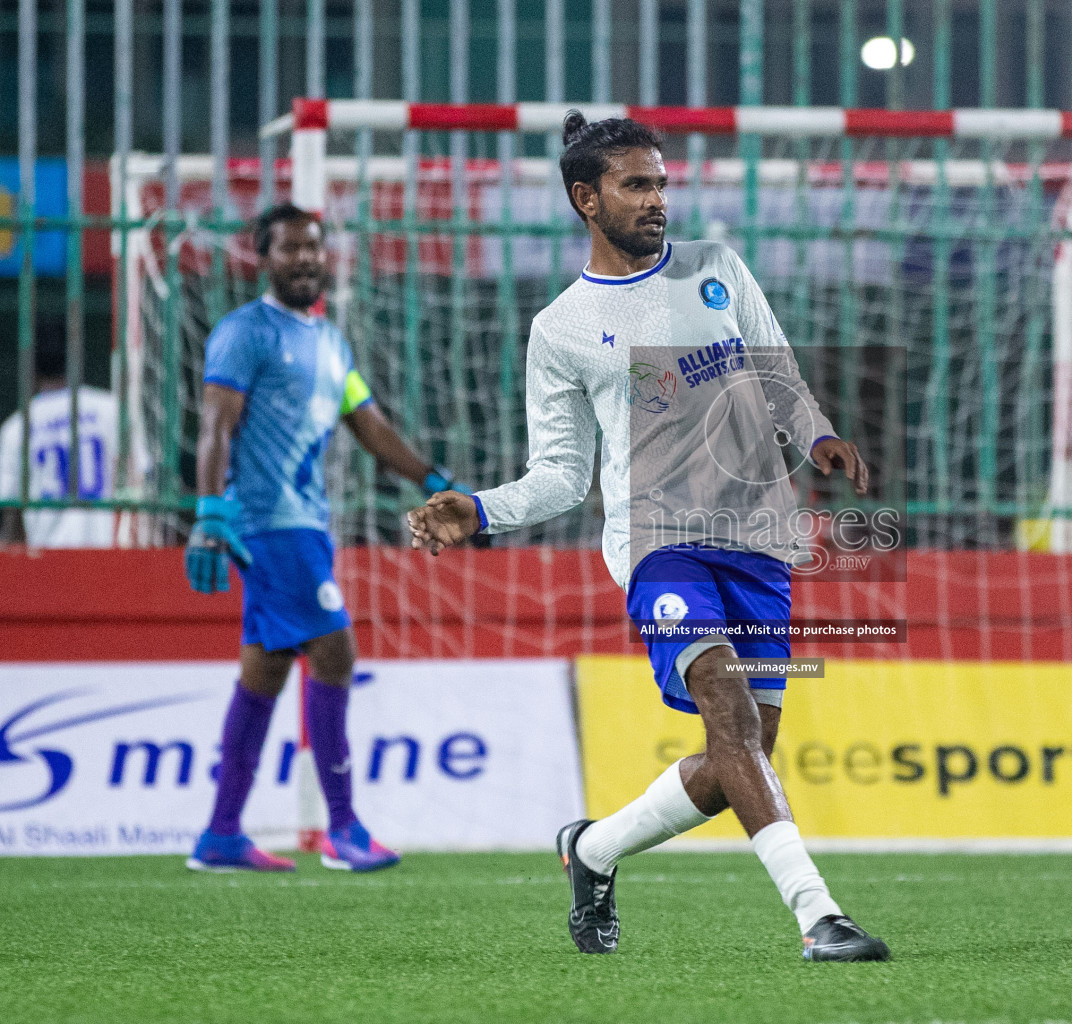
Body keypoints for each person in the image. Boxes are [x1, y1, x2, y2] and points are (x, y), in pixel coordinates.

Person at [407, 113, 889, 962]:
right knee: (728, 709)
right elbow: (561, 473)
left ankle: (591, 851)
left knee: (739, 754)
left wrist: (816, 435)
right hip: (660, 545)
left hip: (759, 539)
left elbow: (778, 378)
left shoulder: (716, 269)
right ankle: (821, 917)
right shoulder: (561, 327)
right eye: (638, 184)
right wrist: (478, 509)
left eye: (662, 182)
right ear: (586, 198)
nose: (658, 199)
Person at [186, 203, 470, 874]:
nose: (305, 257)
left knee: (267, 668)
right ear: (265, 257)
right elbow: (214, 425)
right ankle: (342, 829)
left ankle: (221, 833)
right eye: (290, 248)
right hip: (267, 521)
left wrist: (433, 479)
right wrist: (208, 513)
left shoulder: (329, 341)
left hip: (306, 523)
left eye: (313, 246)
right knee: (335, 651)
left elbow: (369, 427)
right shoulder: (243, 333)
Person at [0, 316, 140, 547]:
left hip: (47, 562)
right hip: (111, 556)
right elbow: (139, 484)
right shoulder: (110, 409)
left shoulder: (17, 427)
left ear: (31, 368)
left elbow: (11, 513)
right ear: (76, 360)